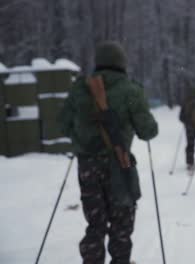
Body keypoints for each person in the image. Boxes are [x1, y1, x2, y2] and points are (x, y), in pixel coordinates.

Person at [58, 41, 158, 264]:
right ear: (121, 63)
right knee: (121, 224)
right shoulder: (131, 91)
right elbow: (148, 131)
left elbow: (63, 125)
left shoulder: (79, 89)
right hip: (119, 166)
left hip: (87, 167)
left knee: (95, 223)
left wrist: (81, 142)